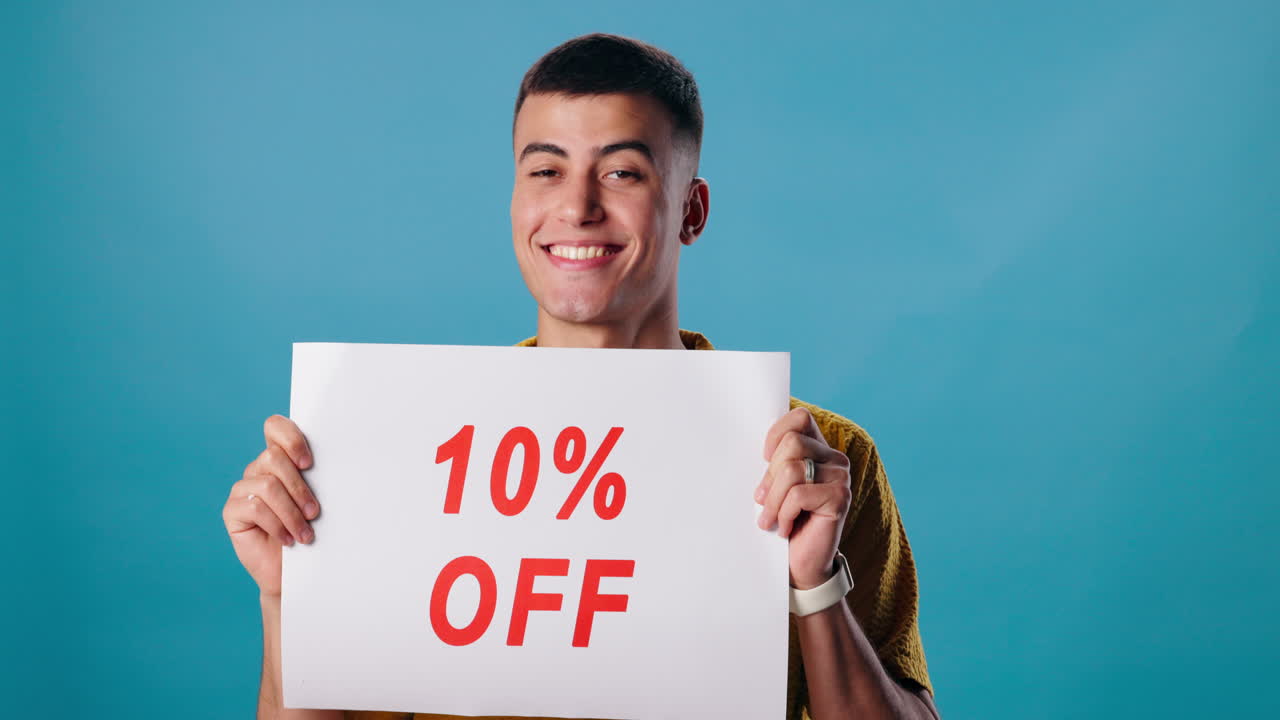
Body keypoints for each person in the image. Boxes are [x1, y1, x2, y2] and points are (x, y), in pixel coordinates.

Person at [222, 33, 940, 720]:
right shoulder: (410, 444)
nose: (577, 207)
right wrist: (290, 597)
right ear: (514, 202)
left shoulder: (817, 463)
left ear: (691, 211)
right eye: (545, 171)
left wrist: (813, 587)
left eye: (622, 172)